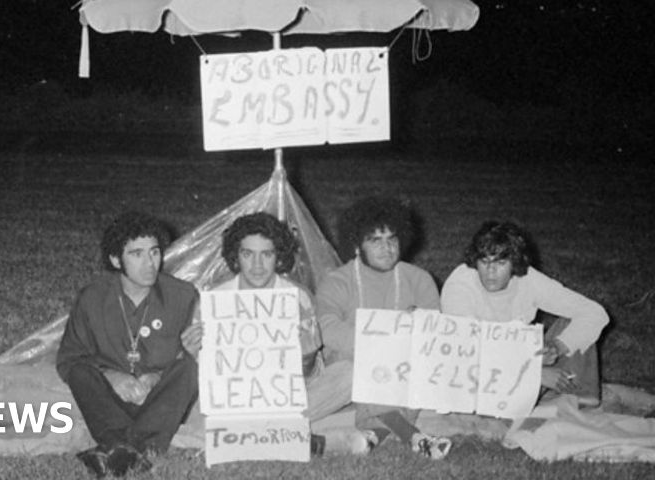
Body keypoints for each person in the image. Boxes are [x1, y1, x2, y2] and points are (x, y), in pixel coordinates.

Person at [179, 212, 364, 455]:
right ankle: (298, 439)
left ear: (278, 258)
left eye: (266, 254)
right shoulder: (214, 300)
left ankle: (237, 437)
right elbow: (203, 378)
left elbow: (309, 377)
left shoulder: (297, 297)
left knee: (349, 374)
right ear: (236, 256)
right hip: (233, 398)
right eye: (248, 254)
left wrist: (307, 356)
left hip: (284, 398)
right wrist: (191, 353)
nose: (257, 265)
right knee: (192, 408)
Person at [56, 212, 199, 478]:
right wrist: (110, 376)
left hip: (160, 399)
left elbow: (188, 357)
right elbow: (69, 358)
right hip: (109, 399)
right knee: (79, 374)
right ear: (115, 259)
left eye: (155, 252)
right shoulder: (93, 298)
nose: (150, 264)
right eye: (136, 254)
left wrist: (158, 376)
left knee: (191, 369)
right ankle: (138, 449)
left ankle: (118, 448)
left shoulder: (183, 295)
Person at [315, 196, 454, 460]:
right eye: (375, 240)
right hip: (350, 363)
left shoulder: (419, 279)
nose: (387, 247)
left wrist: (418, 325)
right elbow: (327, 328)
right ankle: (412, 435)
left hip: (403, 365)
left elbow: (434, 334)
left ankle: (370, 437)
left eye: (392, 239)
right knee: (366, 367)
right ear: (357, 245)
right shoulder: (337, 281)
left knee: (414, 369)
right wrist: (378, 344)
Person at [440, 220, 609, 407]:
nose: (491, 271)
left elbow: (595, 313)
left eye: (501, 262)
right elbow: (467, 350)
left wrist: (557, 346)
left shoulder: (528, 279)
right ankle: (541, 398)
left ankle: (578, 398)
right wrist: (533, 372)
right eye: (484, 261)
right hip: (474, 374)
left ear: (515, 263)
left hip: (518, 358)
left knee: (573, 322)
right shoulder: (460, 284)